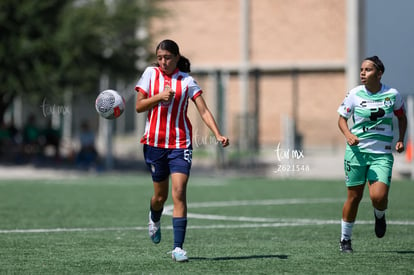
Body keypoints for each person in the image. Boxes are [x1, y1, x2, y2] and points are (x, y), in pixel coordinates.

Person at [134, 39, 229, 262]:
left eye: (167, 57)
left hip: (180, 144)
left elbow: (203, 111)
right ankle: (154, 217)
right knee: (160, 196)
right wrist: (159, 97)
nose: (163, 61)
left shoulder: (186, 81)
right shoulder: (150, 74)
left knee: (179, 192)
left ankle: (178, 248)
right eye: (159, 57)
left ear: (176, 57)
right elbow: (139, 106)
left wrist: (218, 134)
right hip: (154, 144)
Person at [337, 56, 407, 253]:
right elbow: (342, 119)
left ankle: (379, 214)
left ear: (379, 73)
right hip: (356, 153)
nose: (362, 73)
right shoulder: (354, 94)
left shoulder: (392, 95)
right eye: (361, 69)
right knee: (354, 196)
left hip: (381, 154)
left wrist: (401, 139)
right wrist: (349, 134)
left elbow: (402, 117)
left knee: (379, 196)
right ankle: (345, 240)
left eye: (367, 70)